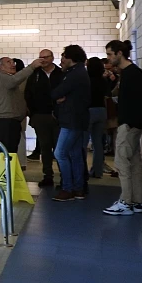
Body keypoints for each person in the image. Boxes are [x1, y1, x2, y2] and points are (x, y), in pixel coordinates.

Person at [103, 40, 142, 216]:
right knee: (134, 163)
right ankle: (136, 201)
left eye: (110, 54)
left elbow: (135, 102)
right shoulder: (132, 73)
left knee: (121, 162)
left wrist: (127, 124)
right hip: (134, 124)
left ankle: (126, 202)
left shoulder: (131, 74)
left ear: (119, 53)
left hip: (128, 125)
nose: (108, 58)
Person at [50, 45, 91, 201]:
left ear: (71, 58)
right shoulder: (79, 72)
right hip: (77, 119)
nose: (62, 60)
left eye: (64, 57)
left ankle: (67, 188)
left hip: (72, 120)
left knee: (60, 153)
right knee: (74, 154)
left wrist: (60, 97)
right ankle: (78, 188)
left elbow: (56, 93)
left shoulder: (74, 74)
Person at [0, 56, 40, 179]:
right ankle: (0, 176)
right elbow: (15, 81)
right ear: (0, 67)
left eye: (13, 62)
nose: (13, 64)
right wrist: (31, 67)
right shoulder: (3, 77)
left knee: (8, 150)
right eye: (8, 62)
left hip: (12, 120)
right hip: (5, 121)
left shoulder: (9, 78)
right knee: (6, 151)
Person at [26, 49, 64, 187]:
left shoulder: (61, 73)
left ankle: (64, 177)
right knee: (45, 147)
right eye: (41, 57)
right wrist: (33, 114)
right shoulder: (35, 74)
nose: (43, 60)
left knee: (59, 148)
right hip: (41, 116)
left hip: (59, 117)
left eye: (46, 57)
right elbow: (28, 94)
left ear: (52, 58)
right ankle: (47, 175)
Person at [85, 58, 111, 179]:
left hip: (88, 111)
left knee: (83, 142)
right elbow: (107, 95)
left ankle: (82, 170)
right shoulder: (103, 80)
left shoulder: (85, 80)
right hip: (101, 111)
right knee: (98, 143)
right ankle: (97, 171)